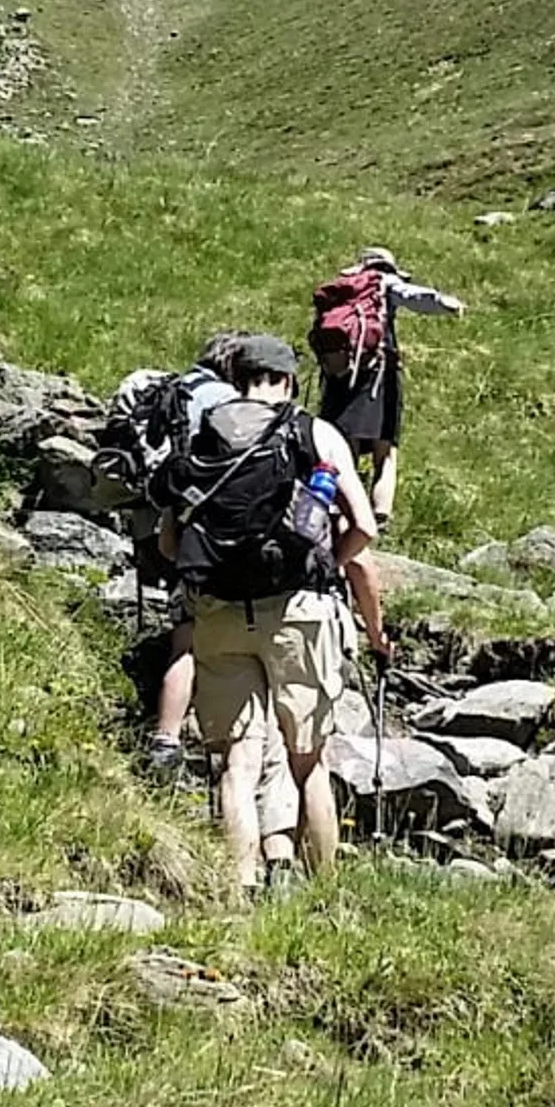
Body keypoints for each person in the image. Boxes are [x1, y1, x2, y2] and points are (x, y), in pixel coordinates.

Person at [168, 335, 383, 889]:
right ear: (288, 381)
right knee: (307, 760)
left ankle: (240, 890)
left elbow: (170, 541)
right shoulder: (314, 432)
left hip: (219, 611)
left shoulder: (202, 435)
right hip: (298, 610)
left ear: (234, 378)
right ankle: (323, 892)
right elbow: (365, 526)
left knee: (237, 762)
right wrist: (328, 565)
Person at [131, 333, 248, 769]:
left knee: (184, 638)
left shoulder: (176, 388)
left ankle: (165, 738)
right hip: (221, 532)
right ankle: (228, 744)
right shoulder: (228, 402)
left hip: (176, 523)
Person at [307, 246, 466, 523]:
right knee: (385, 452)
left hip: (338, 376)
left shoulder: (341, 291)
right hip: (378, 376)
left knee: (343, 446)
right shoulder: (383, 282)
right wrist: (443, 302)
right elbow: (412, 296)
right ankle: (379, 514)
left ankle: (338, 510)